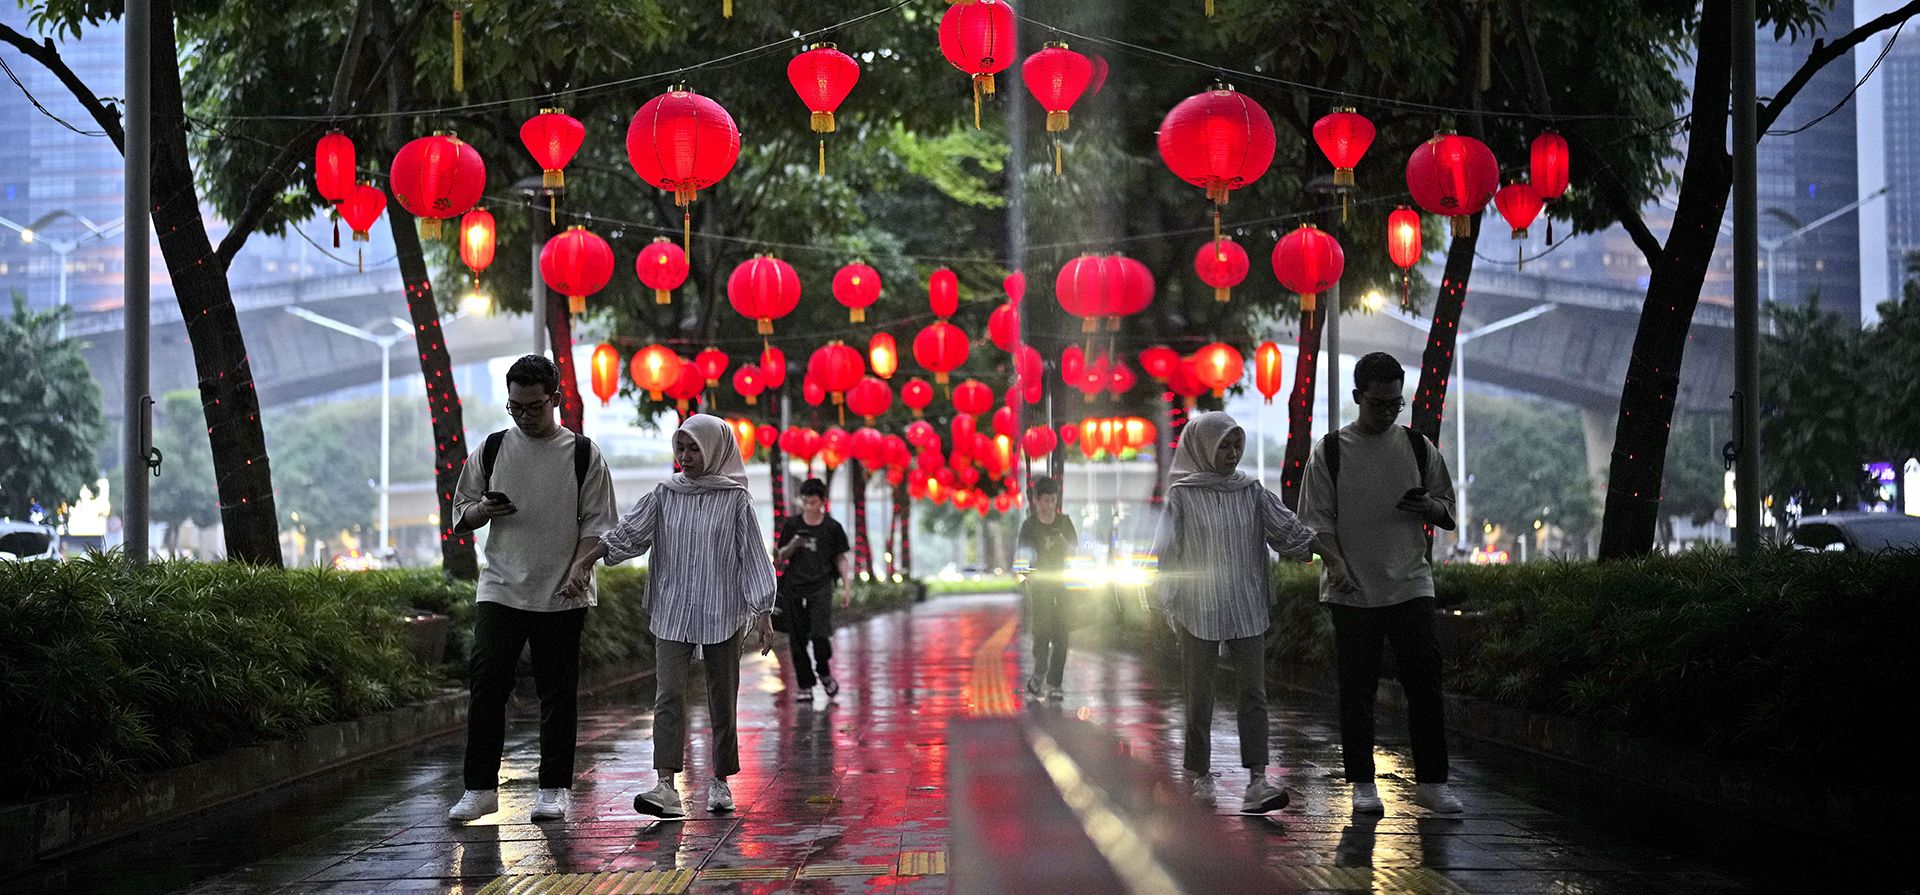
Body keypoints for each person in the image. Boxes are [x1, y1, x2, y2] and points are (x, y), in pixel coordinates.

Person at [567, 413, 777, 819]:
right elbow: (628, 534)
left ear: (715, 450)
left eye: (694, 448)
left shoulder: (734, 498)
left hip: (722, 609)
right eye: (680, 447)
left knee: (722, 698)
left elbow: (752, 555)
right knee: (668, 696)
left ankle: (721, 780)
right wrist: (586, 562)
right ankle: (665, 785)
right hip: (672, 608)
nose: (685, 456)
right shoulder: (665, 494)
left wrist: (764, 611)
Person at [446, 355, 618, 824]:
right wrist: (484, 510)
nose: (524, 415)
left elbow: (599, 523)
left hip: (562, 592)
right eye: (515, 406)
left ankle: (554, 788)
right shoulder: (492, 448)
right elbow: (461, 514)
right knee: (486, 684)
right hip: (501, 586)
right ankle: (480, 788)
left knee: (557, 692)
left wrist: (580, 568)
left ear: (555, 400)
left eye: (534, 406)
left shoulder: (583, 454)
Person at [1299, 352, 1463, 816]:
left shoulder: (1417, 447)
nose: (1389, 412)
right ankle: (1362, 784)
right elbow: (1316, 521)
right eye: (1379, 404)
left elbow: (1447, 507)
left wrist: (1429, 507)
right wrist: (1336, 564)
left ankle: (1432, 783)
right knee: (1357, 690)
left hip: (1411, 582)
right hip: (1352, 591)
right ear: (1357, 398)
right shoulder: (1330, 451)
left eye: (1396, 404)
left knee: (1425, 684)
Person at [1150, 411, 1318, 815]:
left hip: (1246, 604)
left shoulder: (1251, 491)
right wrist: (1162, 603)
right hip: (1200, 608)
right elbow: (1168, 556)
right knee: (1199, 697)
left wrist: (1325, 548)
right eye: (1223, 446)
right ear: (1203, 447)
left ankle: (1257, 780)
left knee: (1254, 694)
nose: (1231, 454)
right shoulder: (1183, 496)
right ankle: (1197, 775)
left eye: (1236, 445)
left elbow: (1287, 531)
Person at [773, 478, 853, 702]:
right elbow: (780, 556)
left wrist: (847, 587)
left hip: (821, 588)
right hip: (794, 588)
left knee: (820, 636)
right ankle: (805, 685)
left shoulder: (832, 528)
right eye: (806, 502)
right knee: (797, 640)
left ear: (822, 501)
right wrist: (794, 544)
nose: (809, 506)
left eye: (814, 502)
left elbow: (841, 558)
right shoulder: (792, 525)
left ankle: (824, 672)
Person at [1017, 476, 1077, 701]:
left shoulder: (1065, 523)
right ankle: (1040, 670)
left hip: (1062, 585)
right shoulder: (1029, 526)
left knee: (1062, 633)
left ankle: (1055, 683)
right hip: (1040, 586)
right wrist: (1027, 575)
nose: (1049, 506)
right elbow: (1022, 557)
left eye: (1053, 501)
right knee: (1041, 632)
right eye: (1045, 501)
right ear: (1037, 501)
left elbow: (1076, 551)